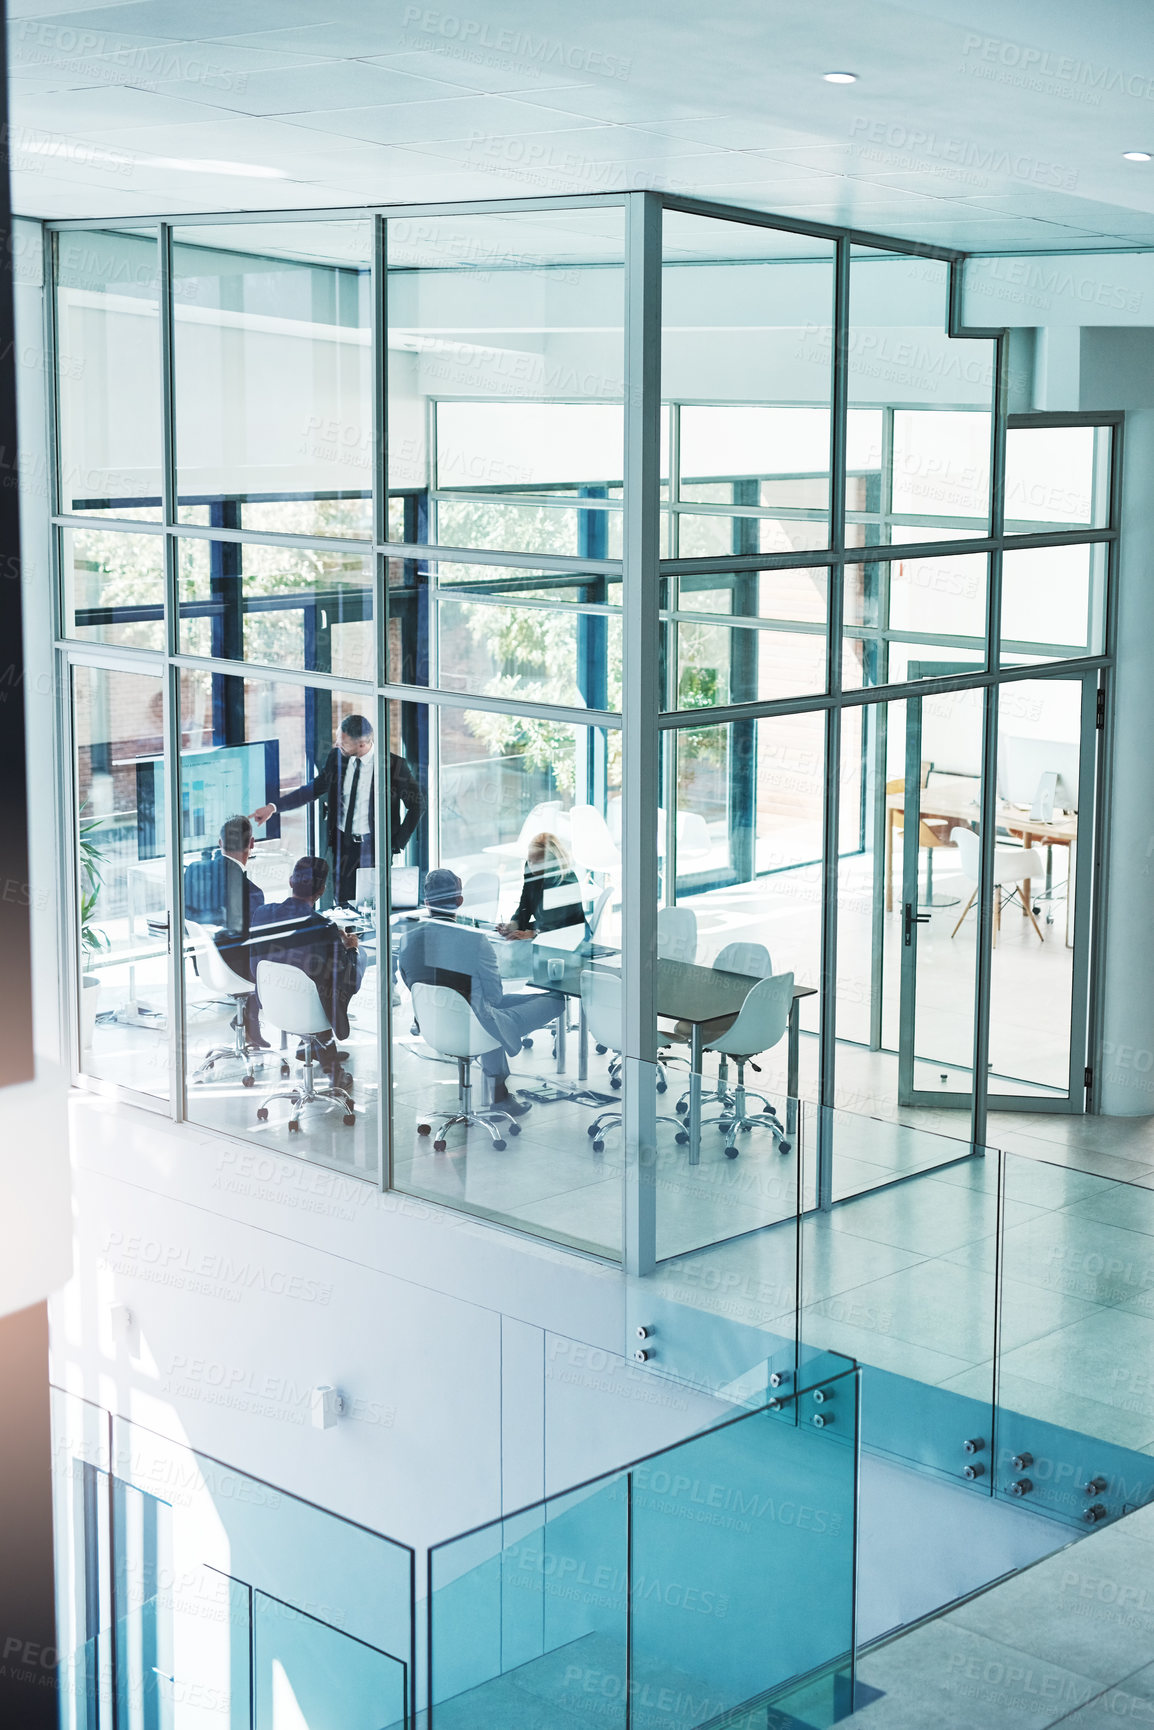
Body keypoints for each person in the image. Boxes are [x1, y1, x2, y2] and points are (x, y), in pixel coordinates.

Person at [398, 868, 564, 1115]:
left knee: (483, 1007)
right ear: (460, 901)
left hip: (433, 1025)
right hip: (473, 1027)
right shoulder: (474, 940)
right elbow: (495, 997)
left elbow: (411, 981)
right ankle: (499, 1094)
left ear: (426, 902)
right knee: (554, 1000)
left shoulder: (407, 939)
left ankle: (500, 1092)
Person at [252, 715, 425, 907]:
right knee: (342, 903)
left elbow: (418, 805)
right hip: (344, 845)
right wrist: (273, 808)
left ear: (361, 744)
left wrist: (395, 843)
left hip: (375, 848)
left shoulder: (394, 766)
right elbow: (313, 789)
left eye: (342, 742)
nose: (336, 744)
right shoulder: (336, 758)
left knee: (373, 904)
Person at [250, 856, 360, 1085]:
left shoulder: (262, 913)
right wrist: (350, 949)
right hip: (309, 1009)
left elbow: (256, 960)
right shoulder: (323, 927)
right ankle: (327, 1059)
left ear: (291, 881)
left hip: (272, 1001)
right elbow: (344, 980)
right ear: (322, 890)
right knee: (347, 971)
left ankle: (309, 1045)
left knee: (314, 979)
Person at [184, 814, 266, 1047]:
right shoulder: (251, 892)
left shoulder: (193, 870)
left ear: (220, 843)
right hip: (234, 969)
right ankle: (256, 1021)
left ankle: (250, 1022)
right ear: (251, 844)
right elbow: (256, 941)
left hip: (205, 963)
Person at [497, 831, 585, 941]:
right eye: (529, 860)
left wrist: (533, 933)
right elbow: (525, 906)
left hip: (569, 936)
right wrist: (513, 925)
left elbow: (559, 924)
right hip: (544, 930)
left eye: (537, 862)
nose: (532, 866)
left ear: (552, 862)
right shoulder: (531, 872)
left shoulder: (566, 880)